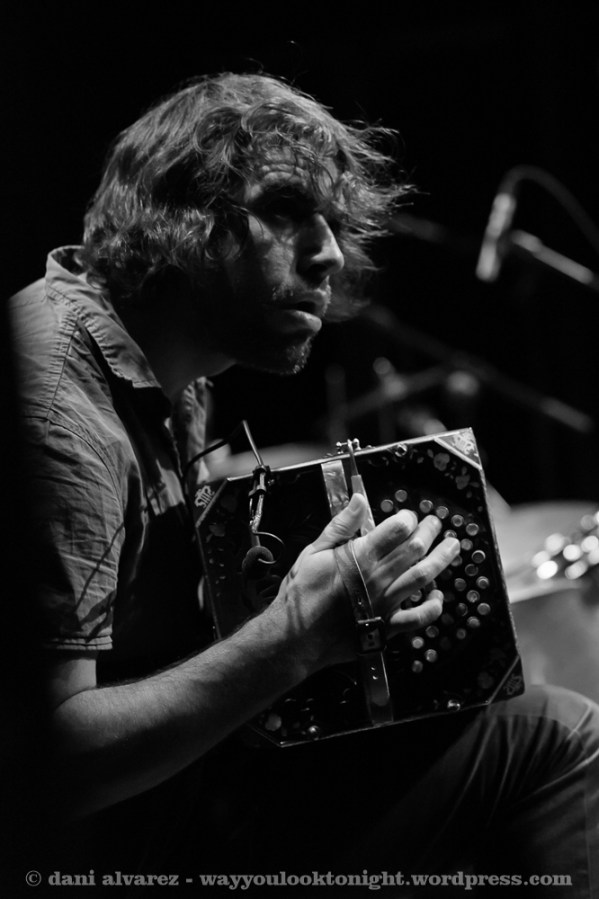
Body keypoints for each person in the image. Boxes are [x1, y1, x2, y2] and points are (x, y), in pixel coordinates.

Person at [7, 72, 599, 896]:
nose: (328, 254)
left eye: (333, 223)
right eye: (286, 210)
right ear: (177, 217)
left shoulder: (176, 375)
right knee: (558, 737)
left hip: (170, 803)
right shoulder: (56, 411)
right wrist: (294, 636)